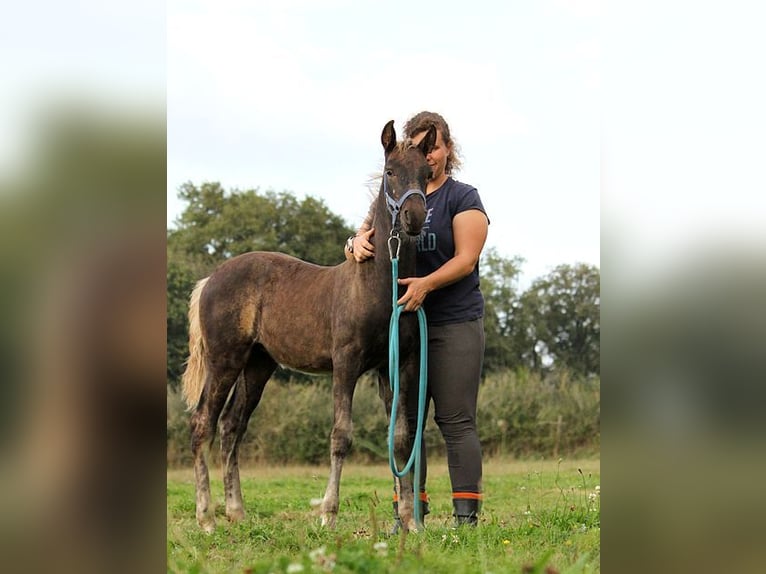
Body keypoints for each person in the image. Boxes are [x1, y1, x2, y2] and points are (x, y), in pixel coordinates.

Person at [344, 111, 489, 527]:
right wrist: (353, 243)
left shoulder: (462, 198)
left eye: (434, 146)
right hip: (401, 326)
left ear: (446, 150)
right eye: (419, 146)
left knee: (455, 419)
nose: (427, 155)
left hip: (453, 321)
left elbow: (466, 258)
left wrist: (425, 284)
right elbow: (361, 239)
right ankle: (409, 512)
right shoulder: (394, 195)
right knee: (404, 420)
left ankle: (466, 518)